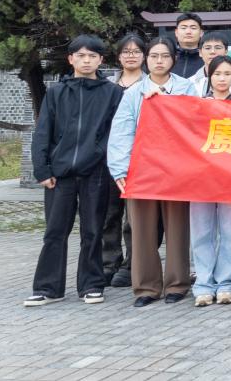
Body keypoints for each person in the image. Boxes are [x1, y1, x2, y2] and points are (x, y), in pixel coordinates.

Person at [25, 35, 123, 308]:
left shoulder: (112, 93)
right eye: (81, 55)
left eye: (92, 56)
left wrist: (101, 157)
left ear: (101, 60)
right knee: (55, 231)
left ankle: (91, 285)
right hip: (60, 174)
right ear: (71, 59)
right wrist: (42, 169)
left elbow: (115, 132)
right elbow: (43, 132)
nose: (86, 60)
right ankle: (48, 288)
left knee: (93, 230)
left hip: (96, 172)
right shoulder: (56, 92)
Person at [107, 37, 197, 307]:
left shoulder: (186, 88)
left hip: (176, 169)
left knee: (177, 228)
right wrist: (120, 169)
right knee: (142, 230)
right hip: (142, 168)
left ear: (174, 59)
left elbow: (193, 123)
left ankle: (177, 284)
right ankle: (146, 287)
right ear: (147, 59)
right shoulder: (134, 92)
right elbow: (122, 132)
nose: (159, 61)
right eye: (154, 56)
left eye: (165, 56)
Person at [190, 55, 231, 307]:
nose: (222, 79)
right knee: (201, 233)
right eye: (217, 74)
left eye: (227, 74)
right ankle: (203, 284)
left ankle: (226, 283)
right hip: (200, 178)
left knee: (230, 233)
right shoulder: (197, 105)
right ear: (209, 76)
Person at [101, 33, 146, 289]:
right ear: (118, 56)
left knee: (133, 218)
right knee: (109, 214)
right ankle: (109, 262)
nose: (131, 55)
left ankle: (131, 265)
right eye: (126, 51)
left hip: (139, 161)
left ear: (144, 56)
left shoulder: (149, 86)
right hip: (108, 158)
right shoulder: (106, 86)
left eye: (136, 51)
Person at [170, 12, 205, 78]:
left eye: (193, 28)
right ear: (176, 32)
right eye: (183, 28)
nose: (188, 32)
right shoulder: (168, 56)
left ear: (201, 33)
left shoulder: (207, 58)